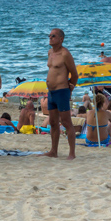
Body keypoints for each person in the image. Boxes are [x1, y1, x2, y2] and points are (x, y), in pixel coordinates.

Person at [44, 28, 79, 160]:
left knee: (66, 122)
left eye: (53, 36)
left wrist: (70, 88)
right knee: (53, 122)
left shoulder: (65, 54)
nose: (50, 38)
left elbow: (74, 74)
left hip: (62, 91)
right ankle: (53, 151)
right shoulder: (50, 52)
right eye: (49, 36)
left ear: (61, 39)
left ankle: (72, 153)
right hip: (51, 92)